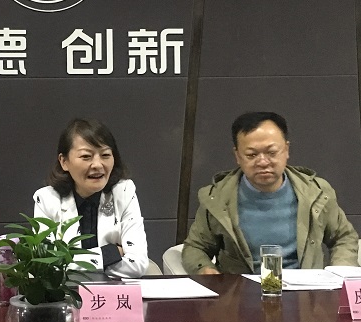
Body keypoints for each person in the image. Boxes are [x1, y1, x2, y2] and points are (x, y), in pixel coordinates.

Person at [182, 112, 359, 275]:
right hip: (240, 292)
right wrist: (206, 271)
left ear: (286, 150)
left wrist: (340, 272)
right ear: (237, 156)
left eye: (271, 153)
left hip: (306, 291)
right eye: (251, 155)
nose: (263, 162)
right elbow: (196, 247)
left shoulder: (316, 192)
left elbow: (343, 237)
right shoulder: (217, 198)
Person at [33, 118, 149, 278]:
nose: (97, 164)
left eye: (105, 155)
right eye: (86, 156)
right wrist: (111, 253)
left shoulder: (124, 192)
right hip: (67, 293)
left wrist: (69, 260)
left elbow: (137, 264)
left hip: (114, 292)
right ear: (64, 162)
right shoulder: (47, 199)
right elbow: (47, 267)